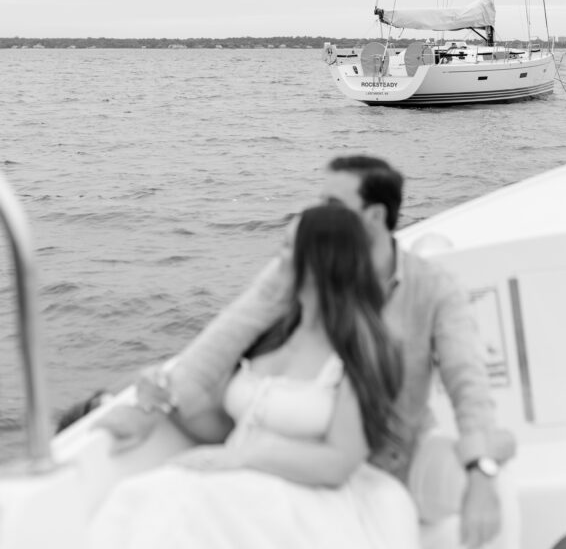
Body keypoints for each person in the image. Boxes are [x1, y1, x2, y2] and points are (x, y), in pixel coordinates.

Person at [102, 156, 512, 547]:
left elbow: (468, 383)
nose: (318, 210)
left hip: (383, 459)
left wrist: (481, 469)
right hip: (277, 469)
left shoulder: (430, 292)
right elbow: (227, 333)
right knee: (151, 503)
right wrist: (155, 403)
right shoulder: (294, 280)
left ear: (373, 216)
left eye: (332, 203)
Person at [90, 204, 421, 549]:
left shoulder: (364, 350)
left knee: (175, 505)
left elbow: (339, 463)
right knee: (145, 498)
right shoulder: (274, 332)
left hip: (305, 498)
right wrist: (167, 400)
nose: (278, 257)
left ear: (322, 261)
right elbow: (228, 427)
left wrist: (241, 458)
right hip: (241, 482)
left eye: (289, 246)